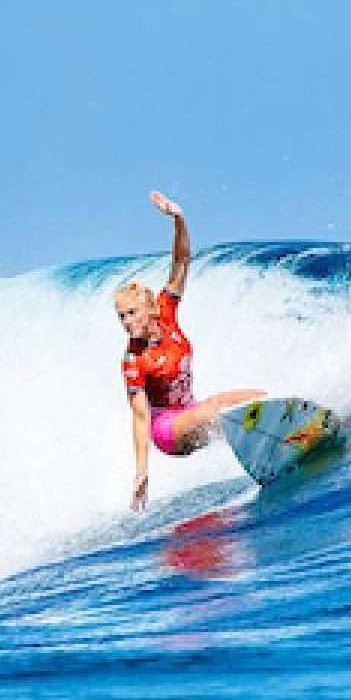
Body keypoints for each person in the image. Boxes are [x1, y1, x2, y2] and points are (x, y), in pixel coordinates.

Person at [118, 192, 265, 510]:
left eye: (131, 313)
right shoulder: (133, 360)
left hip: (193, 410)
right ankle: (260, 452)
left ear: (150, 309)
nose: (126, 322)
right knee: (216, 411)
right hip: (169, 431)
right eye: (121, 316)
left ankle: (281, 440)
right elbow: (140, 418)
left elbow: (182, 261)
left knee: (257, 397)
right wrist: (141, 472)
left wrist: (178, 219)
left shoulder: (167, 312)